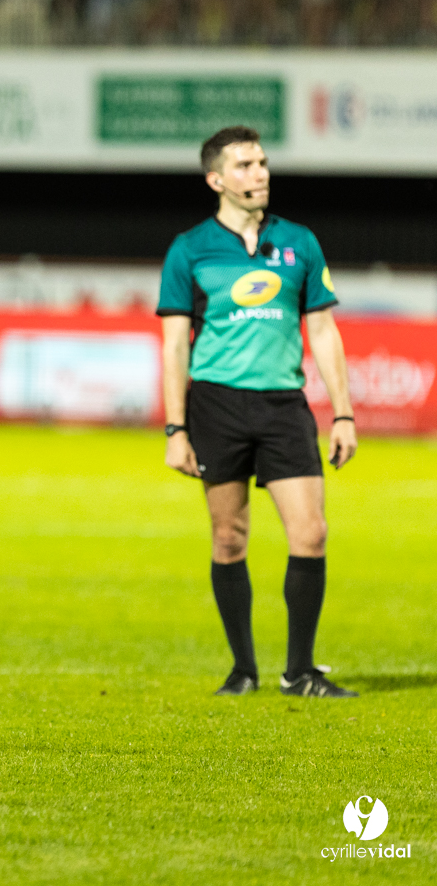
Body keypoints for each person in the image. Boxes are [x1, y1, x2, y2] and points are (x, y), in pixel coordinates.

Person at [157, 125, 358, 699]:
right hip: (216, 404)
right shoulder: (189, 249)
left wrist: (342, 412)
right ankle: (243, 669)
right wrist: (176, 428)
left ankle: (300, 672)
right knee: (229, 537)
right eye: (244, 165)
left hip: (282, 405)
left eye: (263, 162)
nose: (260, 173)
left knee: (312, 533)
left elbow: (322, 329)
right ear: (216, 179)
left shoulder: (299, 242)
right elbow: (175, 345)